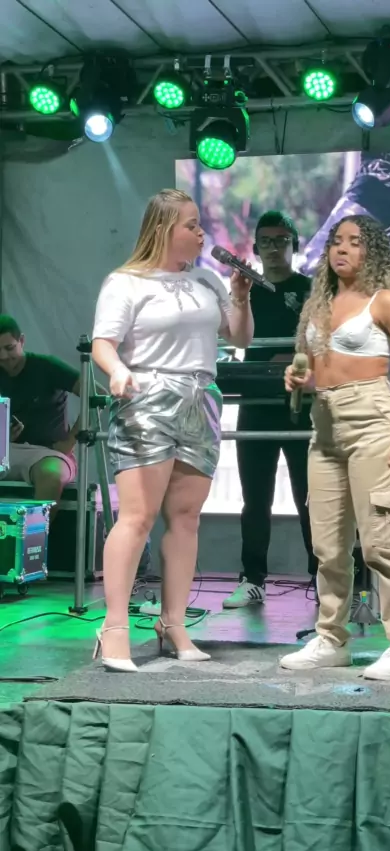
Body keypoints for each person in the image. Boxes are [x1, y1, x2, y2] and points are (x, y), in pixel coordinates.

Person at [91, 188, 253, 672]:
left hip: (201, 396)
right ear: (164, 229)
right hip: (149, 397)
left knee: (186, 517)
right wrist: (118, 371)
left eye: (200, 223)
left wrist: (241, 296)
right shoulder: (126, 282)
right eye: (191, 224)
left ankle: (174, 622)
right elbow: (104, 344)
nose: (201, 233)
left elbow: (239, 337)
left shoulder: (206, 279)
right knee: (138, 516)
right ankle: (114, 626)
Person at [280, 214, 390, 681]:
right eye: (337, 240)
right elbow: (321, 371)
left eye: (354, 242)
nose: (342, 248)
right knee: (328, 546)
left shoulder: (383, 300)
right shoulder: (319, 304)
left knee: (379, 544)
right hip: (325, 427)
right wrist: (300, 378)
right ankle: (331, 639)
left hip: (373, 423)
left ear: (371, 251)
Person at [223, 211, 316, 609]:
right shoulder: (245, 290)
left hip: (300, 405)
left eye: (281, 241)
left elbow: (325, 343)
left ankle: (323, 577)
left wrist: (295, 359)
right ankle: (252, 579)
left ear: (295, 244)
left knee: (310, 498)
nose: (274, 249)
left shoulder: (312, 290)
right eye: (266, 242)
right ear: (256, 248)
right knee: (255, 498)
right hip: (255, 403)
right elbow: (232, 337)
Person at [0, 315, 80, 517]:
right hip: (4, 451)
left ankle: (34, 536)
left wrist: (69, 442)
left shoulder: (46, 366)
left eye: (9, 348)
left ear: (22, 341)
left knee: (52, 474)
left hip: (47, 453)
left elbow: (96, 397)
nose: (3, 357)